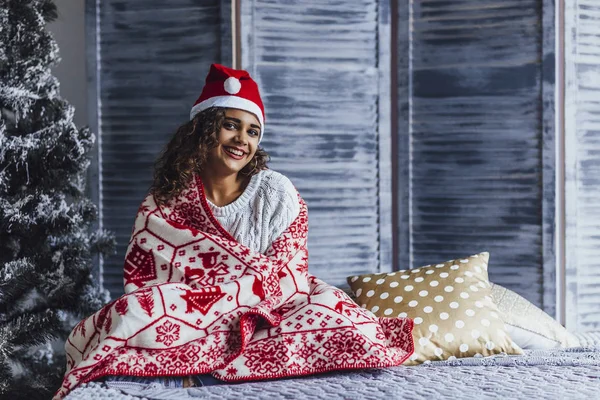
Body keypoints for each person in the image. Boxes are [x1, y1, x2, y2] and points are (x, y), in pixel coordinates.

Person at [104, 64, 300, 389]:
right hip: (188, 315)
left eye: (253, 131)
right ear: (205, 129)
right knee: (132, 313)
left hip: (264, 312)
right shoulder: (166, 198)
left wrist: (231, 298)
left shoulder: (275, 193)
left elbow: (287, 274)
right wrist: (199, 306)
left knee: (329, 313)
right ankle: (190, 368)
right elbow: (143, 281)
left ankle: (205, 368)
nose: (242, 140)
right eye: (231, 126)